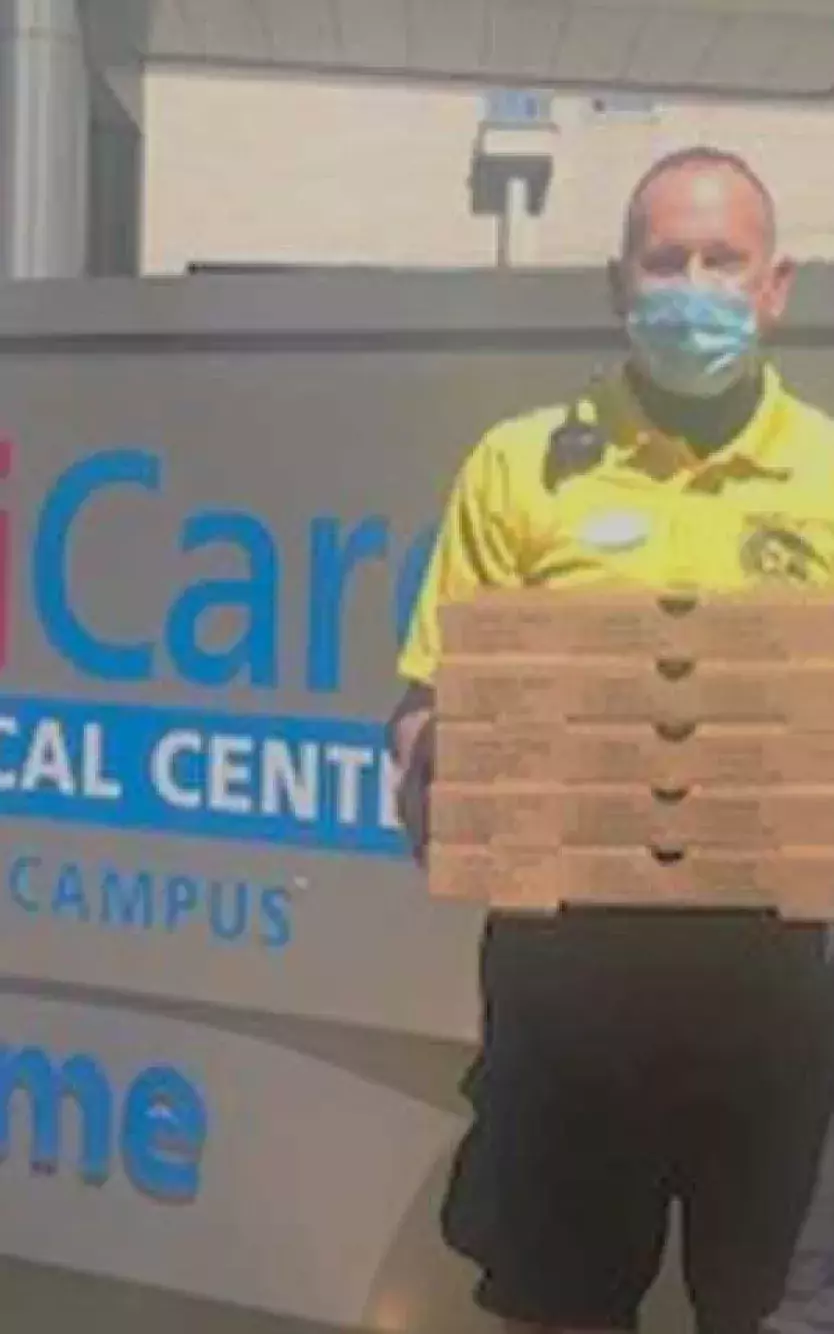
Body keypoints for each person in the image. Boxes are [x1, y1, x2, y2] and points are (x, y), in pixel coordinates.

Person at [388, 146, 834, 1334]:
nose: (695, 284)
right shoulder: (520, 465)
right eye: (668, 258)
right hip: (567, 995)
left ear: (776, 284)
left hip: (784, 1000)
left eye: (723, 260)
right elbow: (425, 711)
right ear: (618, 281)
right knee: (561, 1312)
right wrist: (436, 773)